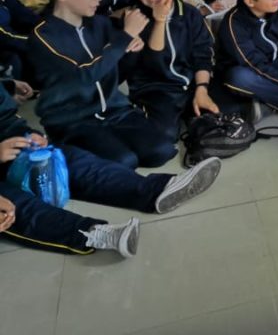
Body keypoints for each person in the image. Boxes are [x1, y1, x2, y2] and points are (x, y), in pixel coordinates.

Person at [0, 82, 221, 258]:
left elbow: (6, 118)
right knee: (12, 208)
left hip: (9, 142)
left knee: (73, 162)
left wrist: (26, 131)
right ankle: (89, 233)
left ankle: (156, 190)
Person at [29, 0, 177, 169]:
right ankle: (66, 147)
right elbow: (83, 77)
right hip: (73, 121)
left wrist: (132, 49)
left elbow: (119, 70)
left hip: (115, 111)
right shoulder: (43, 36)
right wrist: (124, 38)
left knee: (162, 150)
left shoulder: (99, 24)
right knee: (124, 161)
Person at [121, 0, 218, 143]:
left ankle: (191, 112)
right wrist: (159, 21)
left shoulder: (190, 14)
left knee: (222, 112)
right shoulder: (134, 19)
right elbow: (155, 63)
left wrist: (201, 88)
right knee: (165, 138)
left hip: (189, 84)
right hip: (156, 89)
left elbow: (202, 54)